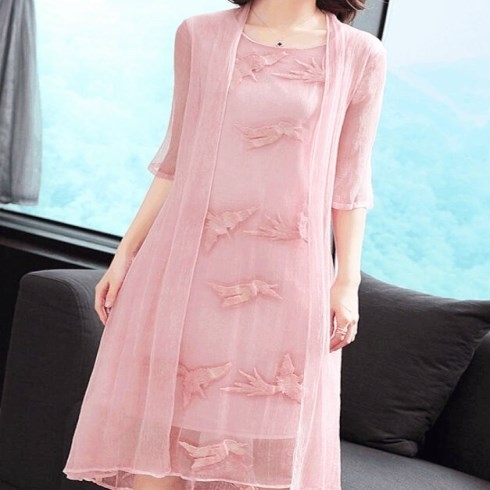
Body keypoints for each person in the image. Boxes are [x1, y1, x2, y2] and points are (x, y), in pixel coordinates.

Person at [63, 0, 387, 489]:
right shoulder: (199, 35)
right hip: (186, 267)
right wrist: (126, 252)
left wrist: (347, 280)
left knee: (257, 448)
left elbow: (350, 181)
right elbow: (176, 160)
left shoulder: (360, 55)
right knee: (159, 437)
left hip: (287, 279)